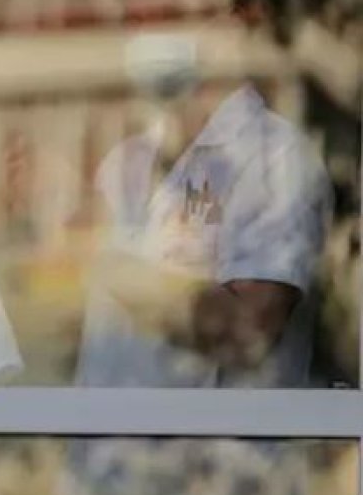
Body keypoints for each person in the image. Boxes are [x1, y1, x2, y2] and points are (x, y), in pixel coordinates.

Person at [66, 33, 332, 495]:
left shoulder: (271, 159)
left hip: (214, 480)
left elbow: (247, 329)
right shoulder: (129, 161)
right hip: (108, 477)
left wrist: (116, 274)